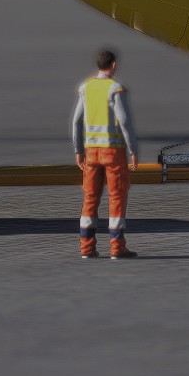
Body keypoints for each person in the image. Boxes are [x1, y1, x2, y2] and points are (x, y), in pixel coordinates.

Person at [72, 48, 139, 259]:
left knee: (90, 198)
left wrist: (78, 150)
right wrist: (133, 150)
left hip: (91, 153)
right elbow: (125, 121)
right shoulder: (115, 89)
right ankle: (117, 248)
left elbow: (76, 121)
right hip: (113, 152)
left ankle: (86, 248)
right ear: (114, 65)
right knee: (117, 196)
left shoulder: (86, 87)